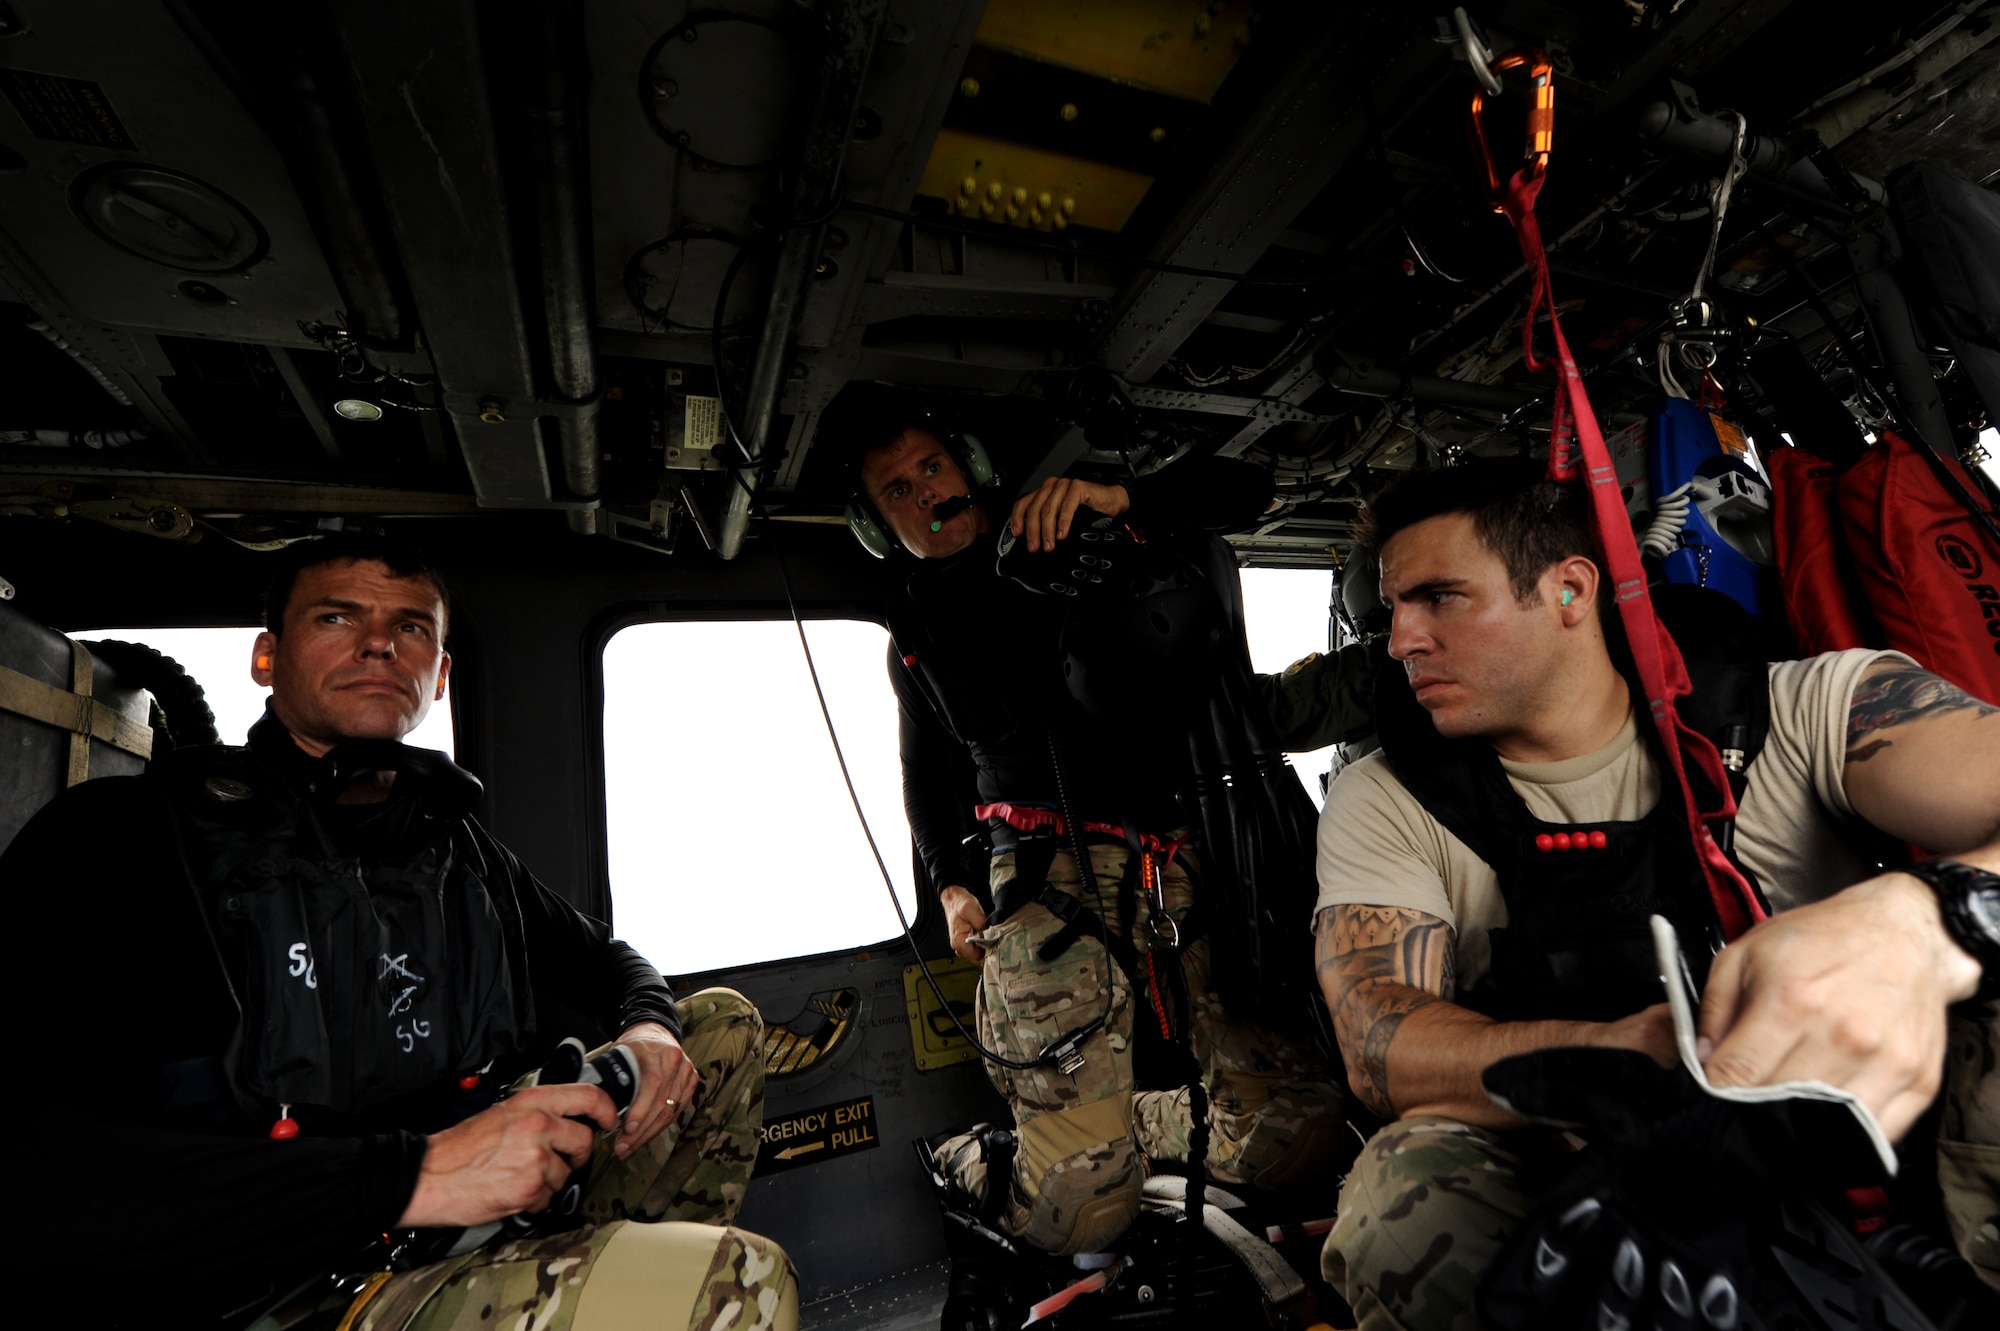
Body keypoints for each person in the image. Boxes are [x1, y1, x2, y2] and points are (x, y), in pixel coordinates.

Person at [3, 536, 794, 1331]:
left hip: (457, 1226)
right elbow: (34, 1175)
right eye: (338, 616)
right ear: (266, 658)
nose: (379, 641)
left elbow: (607, 958)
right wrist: (411, 1174)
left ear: (440, 673)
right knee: (740, 1280)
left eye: (412, 627)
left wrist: (650, 1023)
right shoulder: (126, 838)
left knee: (716, 1025)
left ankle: (596, 1275)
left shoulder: (453, 847)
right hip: (277, 1283)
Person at [1310, 459, 2000, 1329]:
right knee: (1403, 1191)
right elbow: (1377, 1040)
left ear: (1569, 590)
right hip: (1587, 1144)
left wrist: (1924, 922)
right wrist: (1623, 1052)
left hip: (1873, 1107)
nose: (1402, 638)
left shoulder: (1806, 709)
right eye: (1394, 609)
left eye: (1440, 598)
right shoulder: (1389, 794)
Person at [845, 394, 1350, 1257]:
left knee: (1302, 1139)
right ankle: (990, 1154)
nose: (923, 493)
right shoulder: (915, 638)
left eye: (931, 466)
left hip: (1178, 850)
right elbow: (926, 782)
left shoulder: (1073, 534)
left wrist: (1128, 500)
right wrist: (952, 884)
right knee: (1083, 1210)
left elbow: (1250, 488)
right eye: (896, 490)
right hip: (1044, 879)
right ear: (879, 525)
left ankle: (1135, 1126)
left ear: (968, 467)